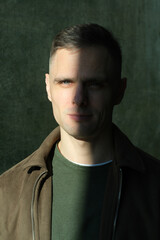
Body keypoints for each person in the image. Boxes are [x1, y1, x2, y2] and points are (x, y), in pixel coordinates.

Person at [0, 23, 160, 240]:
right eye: (66, 82)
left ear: (119, 91)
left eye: (94, 84)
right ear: (48, 87)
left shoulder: (154, 188)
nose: (78, 99)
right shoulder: (7, 192)